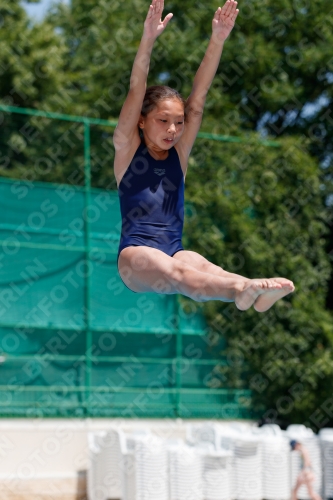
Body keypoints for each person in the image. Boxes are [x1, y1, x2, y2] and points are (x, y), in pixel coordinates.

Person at [113, 0, 295, 311]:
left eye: (179, 122)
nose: (173, 130)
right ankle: (243, 288)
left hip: (174, 248)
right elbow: (136, 88)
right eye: (163, 120)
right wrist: (148, 38)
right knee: (179, 273)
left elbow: (197, 100)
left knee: (210, 271)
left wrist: (218, 39)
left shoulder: (178, 154)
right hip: (135, 256)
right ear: (142, 121)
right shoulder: (127, 147)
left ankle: (250, 291)